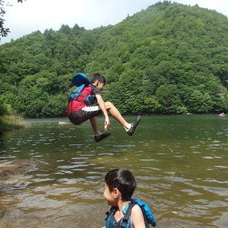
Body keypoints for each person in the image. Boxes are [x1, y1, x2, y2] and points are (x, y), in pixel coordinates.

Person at [67, 73, 141, 142]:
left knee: (93, 111)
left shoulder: (85, 89)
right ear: (98, 82)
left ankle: (97, 134)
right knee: (108, 104)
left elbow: (95, 108)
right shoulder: (94, 87)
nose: (102, 88)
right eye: (103, 85)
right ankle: (128, 127)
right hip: (79, 112)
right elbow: (100, 100)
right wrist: (106, 117)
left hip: (72, 117)